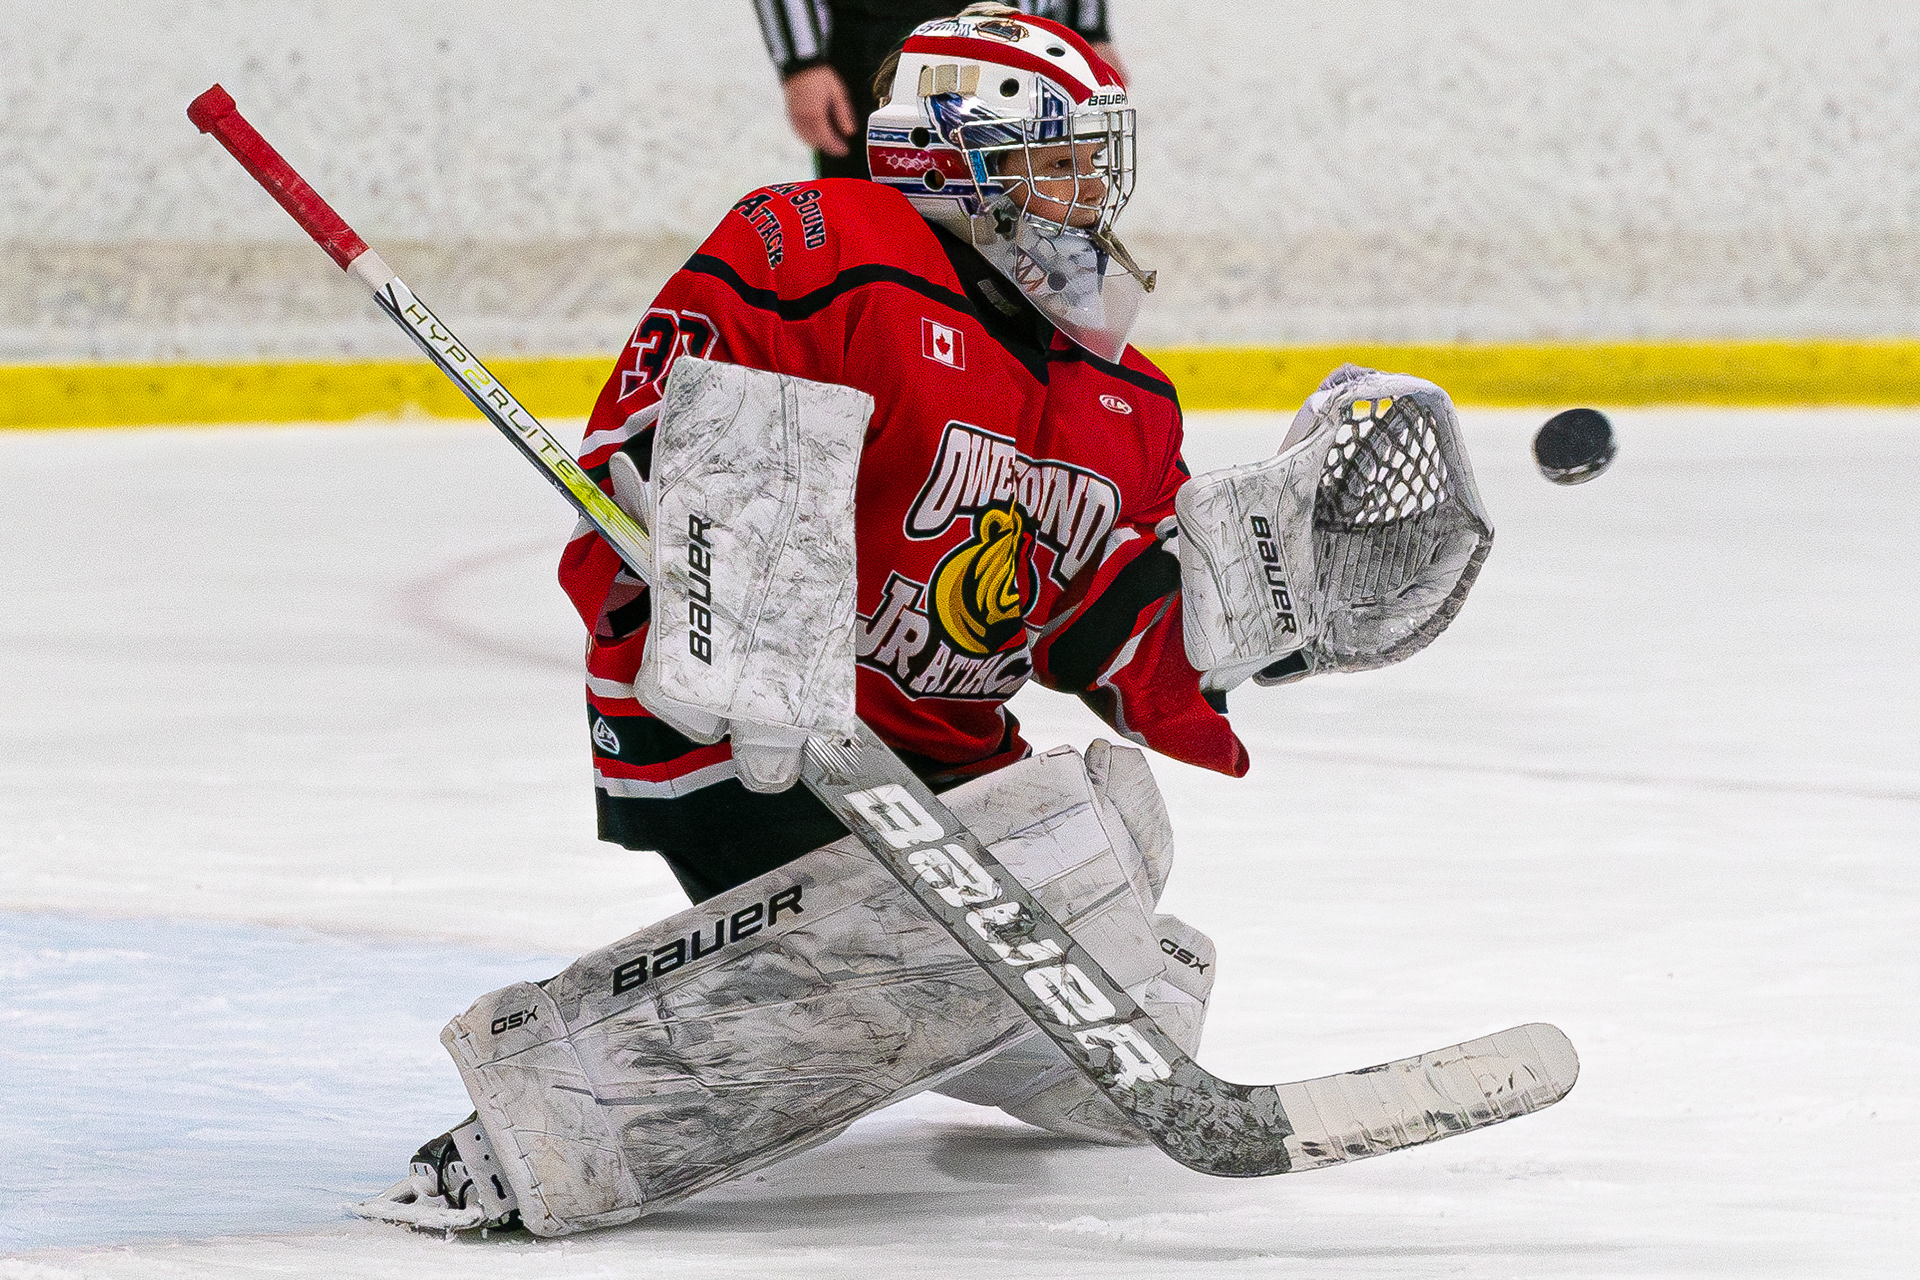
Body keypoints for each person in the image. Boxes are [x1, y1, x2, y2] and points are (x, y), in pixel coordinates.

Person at [356, 4, 1490, 1236]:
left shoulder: (1121, 392)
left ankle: (1035, 1010)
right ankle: (552, 1122)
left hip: (935, 768)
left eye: (1092, 158)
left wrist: (1261, 608)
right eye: (1060, 156)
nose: (1089, 188)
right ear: (962, 151)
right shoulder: (826, 244)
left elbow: (1095, 628)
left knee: (1118, 859)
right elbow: (657, 437)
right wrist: (724, 596)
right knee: (1057, 870)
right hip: (745, 733)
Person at [755, 0, 1123, 179]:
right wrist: (800, 59)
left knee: (1025, 227)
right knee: (877, 239)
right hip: (877, 37)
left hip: (1020, 32)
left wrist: (1085, 26)